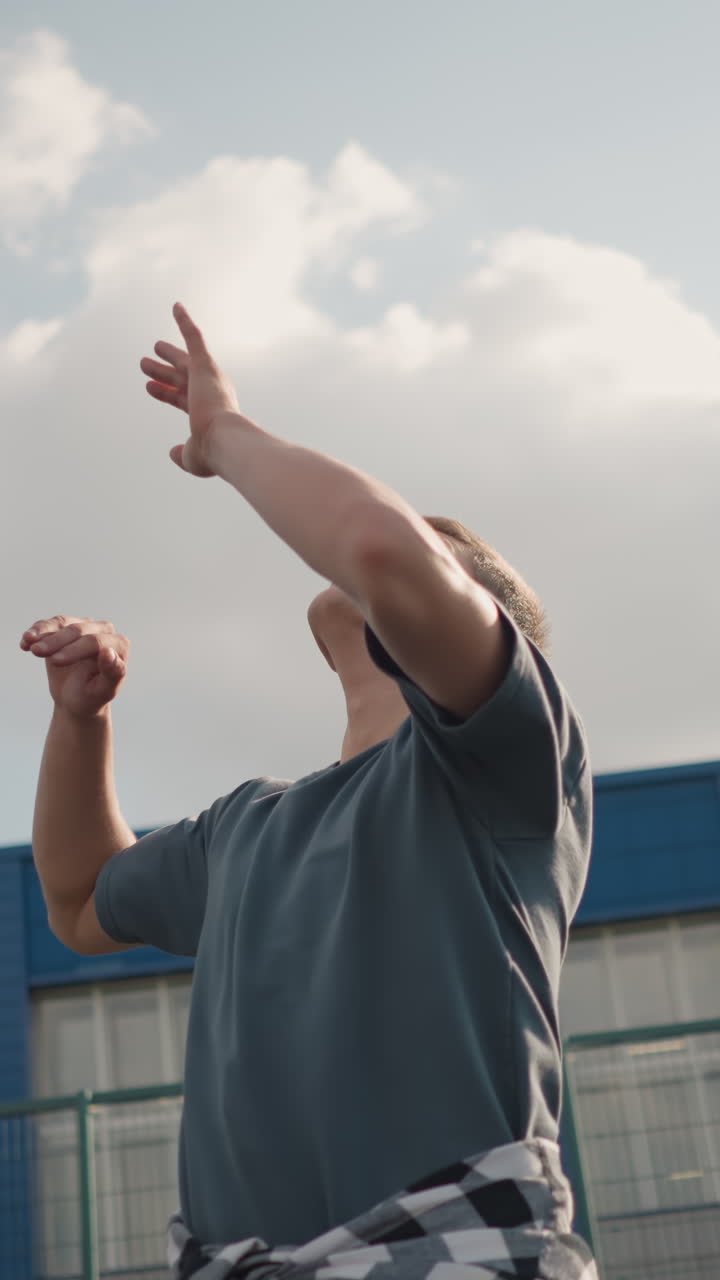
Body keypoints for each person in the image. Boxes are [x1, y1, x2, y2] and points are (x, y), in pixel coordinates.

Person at [21, 304, 598, 1279]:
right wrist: (83, 723)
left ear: (476, 612)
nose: (384, 541)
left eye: (429, 542)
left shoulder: (503, 756)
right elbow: (79, 901)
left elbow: (376, 548)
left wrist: (224, 435)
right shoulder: (247, 826)